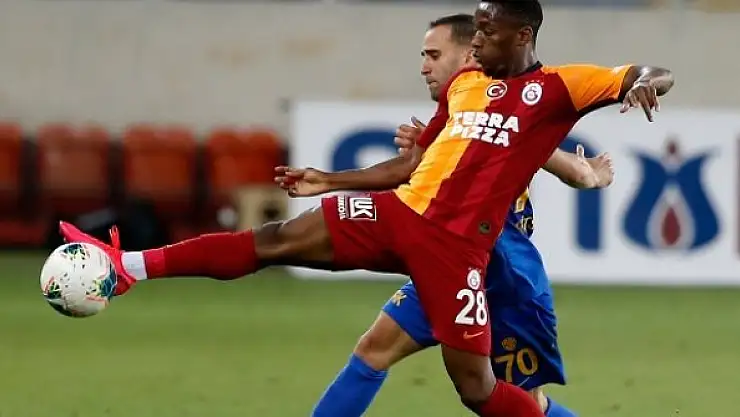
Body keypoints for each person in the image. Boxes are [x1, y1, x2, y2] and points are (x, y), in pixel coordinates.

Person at [59, 1, 673, 415]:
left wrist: (644, 81)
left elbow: (646, 73)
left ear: (523, 36)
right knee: (276, 239)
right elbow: (419, 164)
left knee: (479, 390)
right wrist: (331, 181)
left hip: (463, 254)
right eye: (476, 31)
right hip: (400, 215)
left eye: (487, 33)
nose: (477, 42)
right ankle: (126, 266)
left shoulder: (558, 88)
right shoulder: (466, 87)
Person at [309, 13, 612, 417]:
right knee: (374, 350)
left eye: (433, 55)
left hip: (501, 275)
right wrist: (427, 151)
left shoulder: (512, 107)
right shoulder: (463, 108)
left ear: (470, 54)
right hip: (448, 261)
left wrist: (590, 174)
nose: (424, 67)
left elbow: (564, 166)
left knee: (526, 402)